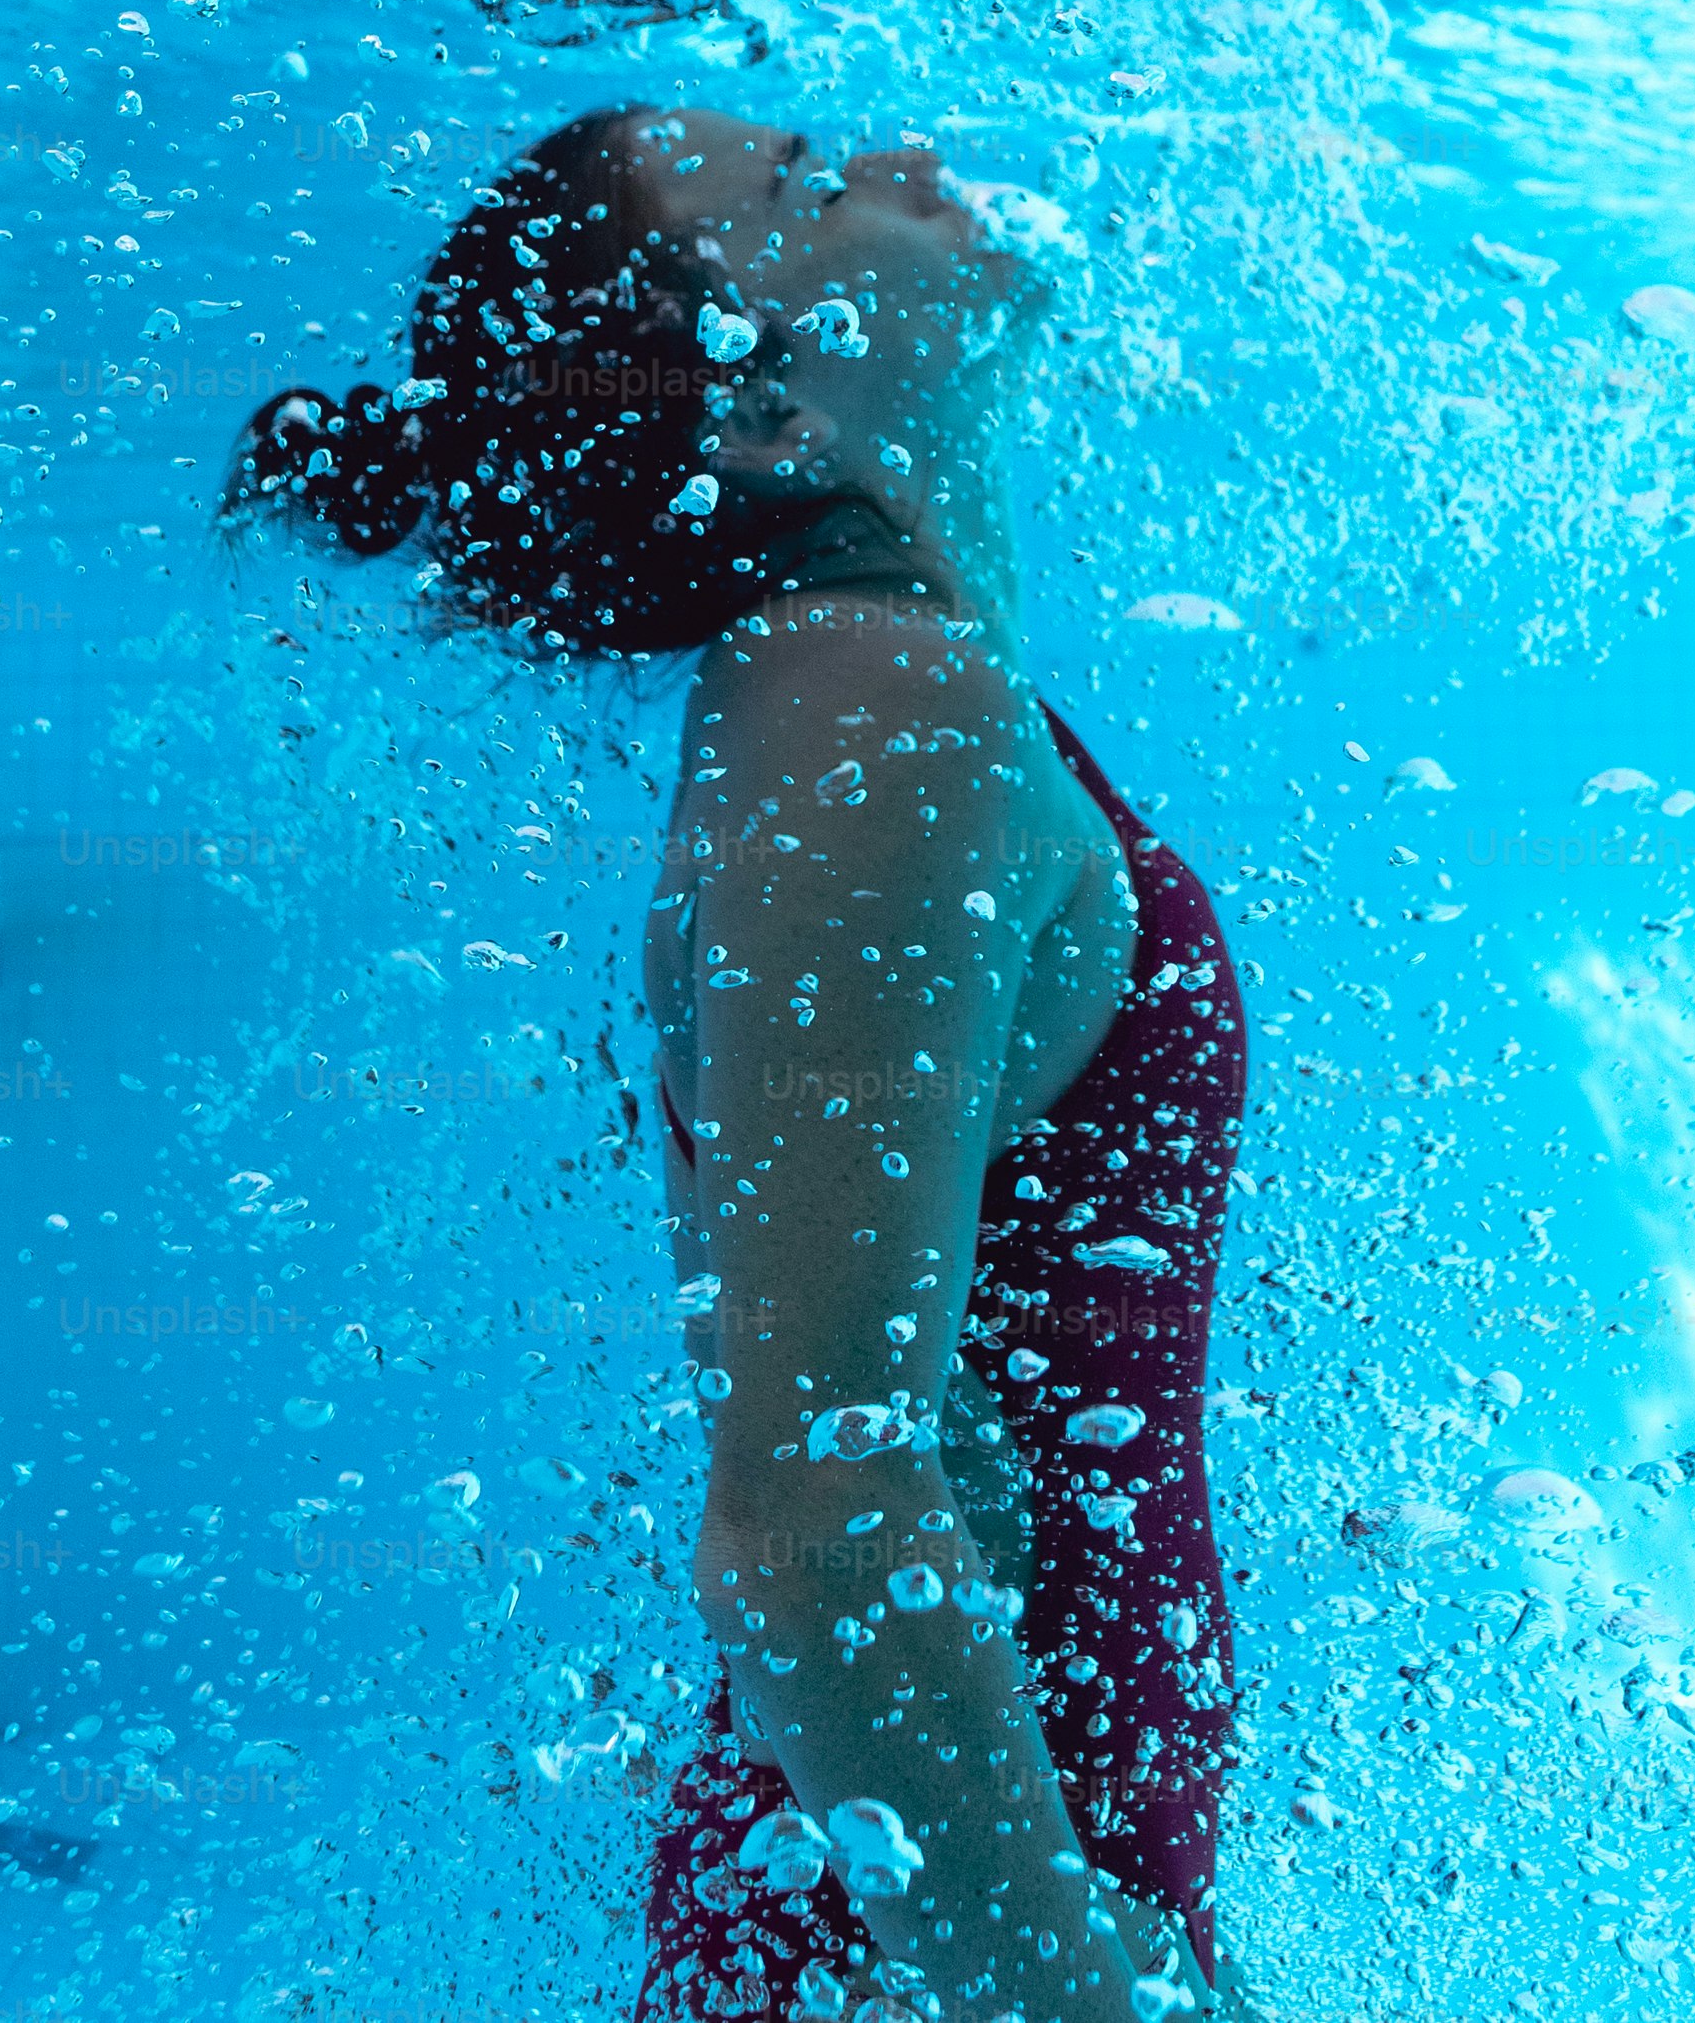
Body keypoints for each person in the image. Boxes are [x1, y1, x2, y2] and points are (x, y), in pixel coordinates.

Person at [225, 104, 1250, 2022]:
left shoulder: (868, 691)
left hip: (955, 1908)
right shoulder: (875, 711)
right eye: (804, 181)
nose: (901, 155)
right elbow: (806, 1528)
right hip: (927, 1946)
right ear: (770, 411)